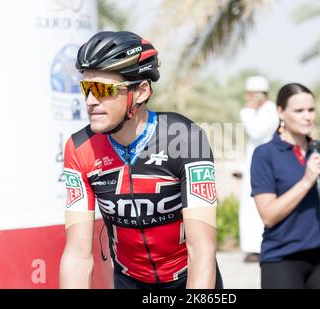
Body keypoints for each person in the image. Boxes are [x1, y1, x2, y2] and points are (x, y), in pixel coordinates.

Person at [59, 31, 223, 289]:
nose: (90, 101)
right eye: (86, 88)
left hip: (188, 279)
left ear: (142, 91)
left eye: (102, 89)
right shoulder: (79, 149)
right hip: (129, 282)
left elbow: (201, 250)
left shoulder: (187, 139)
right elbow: (77, 255)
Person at [250, 83, 320, 289]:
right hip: (283, 258)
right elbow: (269, 215)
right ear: (280, 112)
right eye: (299, 111)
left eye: (311, 110)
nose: (308, 116)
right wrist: (307, 181)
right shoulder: (265, 155)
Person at [238, 76, 279, 262]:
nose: (248, 99)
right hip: (254, 164)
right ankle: (253, 246)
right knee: (249, 206)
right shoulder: (261, 111)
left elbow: (256, 132)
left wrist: (247, 111)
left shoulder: (269, 111)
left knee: (256, 205)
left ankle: (258, 246)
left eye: (251, 95)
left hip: (263, 166)